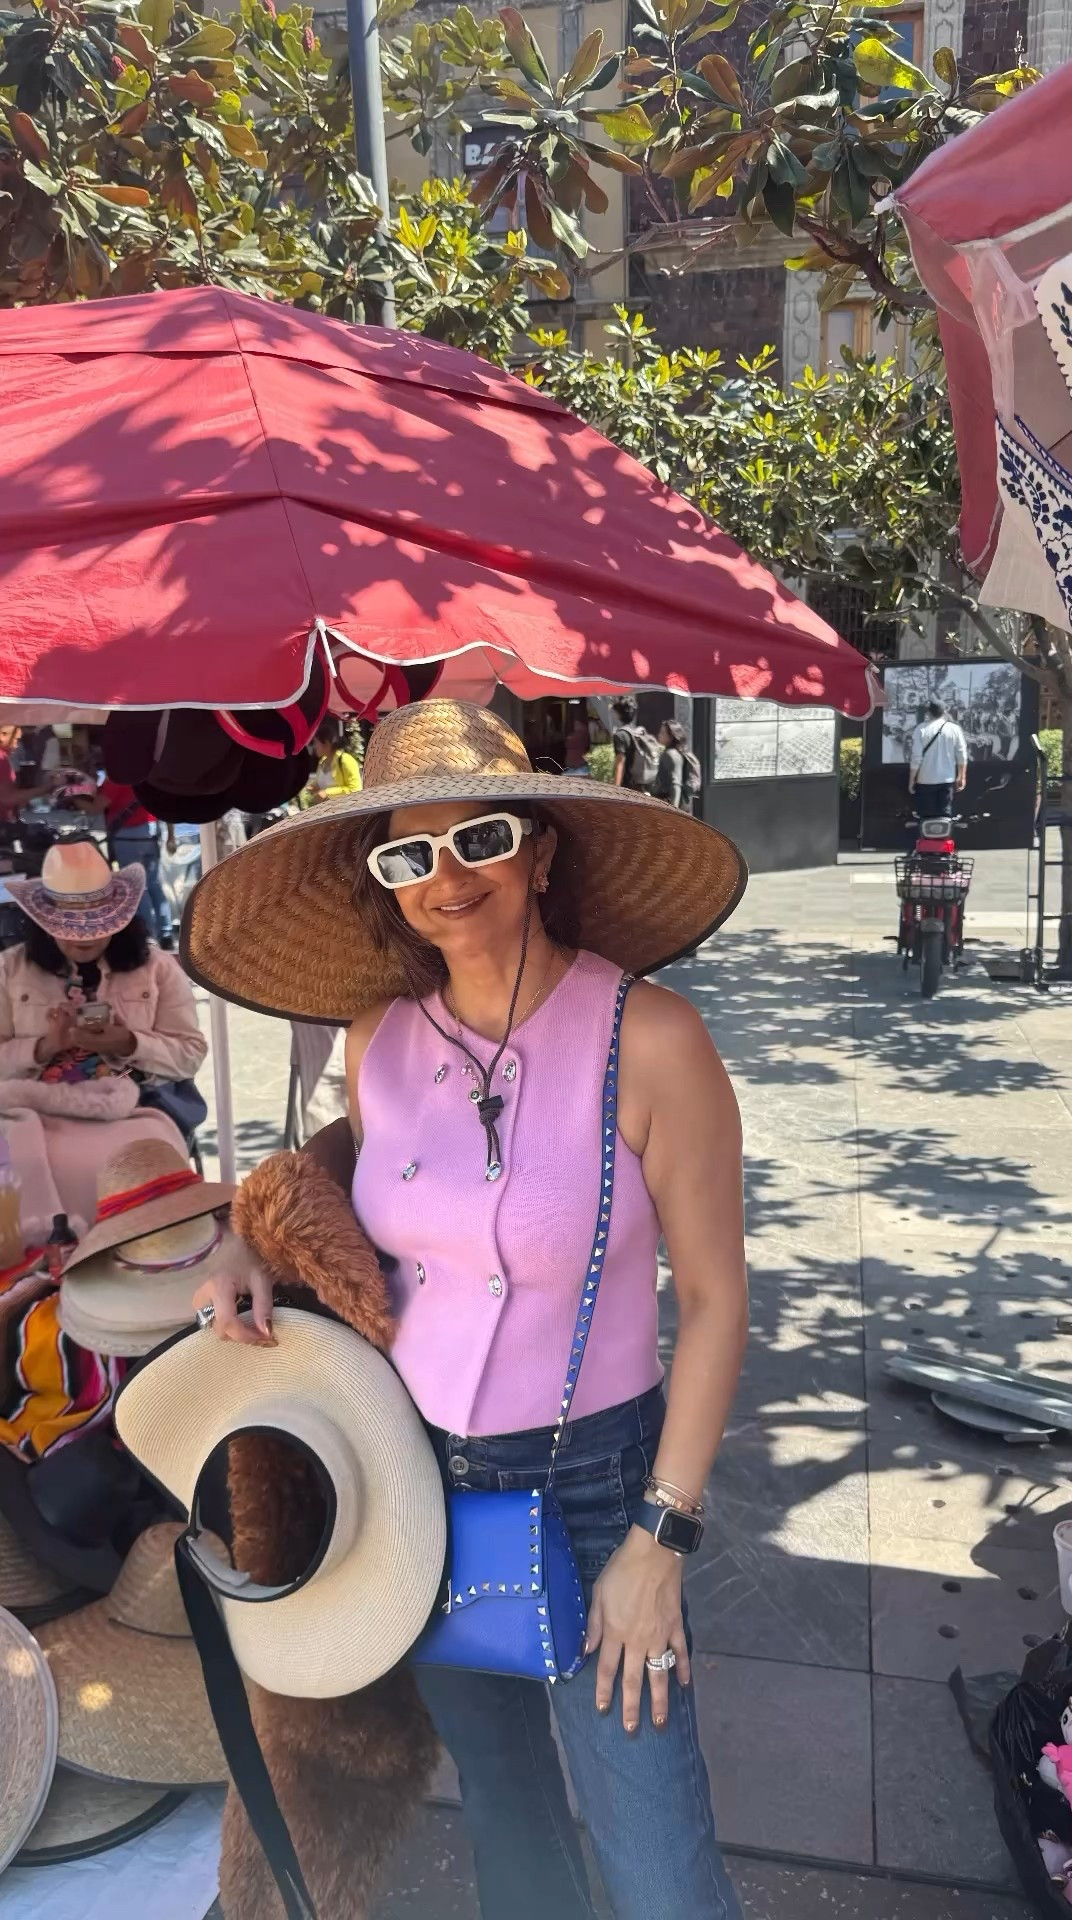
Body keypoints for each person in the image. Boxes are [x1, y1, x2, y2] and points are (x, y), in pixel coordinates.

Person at [193, 698, 749, 1920]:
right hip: (423, 1490)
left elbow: (715, 1302)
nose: (445, 880)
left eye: (478, 840)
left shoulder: (650, 1041)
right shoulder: (378, 1040)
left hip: (606, 1491)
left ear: (540, 850)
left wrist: (663, 1541)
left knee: (655, 1860)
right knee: (506, 1808)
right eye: (408, 855)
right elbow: (358, 1161)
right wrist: (250, 1231)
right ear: (385, 887)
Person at [0, 840, 207, 1231]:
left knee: (136, 1163)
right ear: (44, 923)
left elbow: (190, 1053)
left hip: (134, 1103)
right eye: (68, 929)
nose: (84, 939)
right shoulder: (9, 971)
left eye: (98, 927)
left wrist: (127, 1044)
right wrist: (45, 1047)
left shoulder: (156, 969)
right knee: (26, 1165)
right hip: (31, 1107)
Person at [73, 776, 174, 949]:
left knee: (137, 887)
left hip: (129, 835)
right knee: (154, 884)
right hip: (151, 834)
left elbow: (95, 807)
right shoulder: (151, 775)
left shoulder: (117, 779)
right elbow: (168, 807)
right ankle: (166, 932)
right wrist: (171, 836)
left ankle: (148, 935)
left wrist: (73, 799)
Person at [909, 698, 968, 821]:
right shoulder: (954, 729)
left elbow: (916, 758)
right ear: (944, 712)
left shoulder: (921, 729)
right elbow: (962, 754)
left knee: (926, 819)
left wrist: (912, 779)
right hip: (947, 780)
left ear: (928, 713)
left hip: (925, 780)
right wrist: (961, 776)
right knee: (944, 819)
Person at [610, 695, 660, 794]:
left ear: (618, 714)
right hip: (640, 785)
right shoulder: (637, 732)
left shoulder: (620, 735)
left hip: (628, 786)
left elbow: (620, 763)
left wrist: (615, 790)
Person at [306, 718, 362, 803]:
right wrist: (314, 787)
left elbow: (355, 789)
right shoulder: (322, 762)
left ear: (326, 743)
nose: (314, 746)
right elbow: (321, 784)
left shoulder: (346, 760)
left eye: (316, 742)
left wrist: (327, 792)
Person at [654, 720, 695, 813]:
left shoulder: (670, 754)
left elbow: (676, 784)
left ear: (671, 736)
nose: (659, 735)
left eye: (663, 733)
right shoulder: (679, 752)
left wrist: (673, 812)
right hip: (682, 804)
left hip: (670, 805)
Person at [562, 713, 593, 777]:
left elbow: (571, 741)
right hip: (572, 768)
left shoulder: (582, 732)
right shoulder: (574, 732)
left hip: (579, 768)